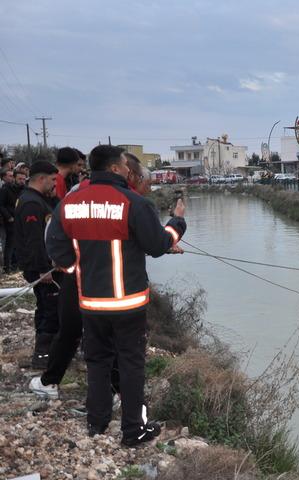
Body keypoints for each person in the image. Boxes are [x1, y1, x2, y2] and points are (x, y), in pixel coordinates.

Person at [46, 145, 187, 447]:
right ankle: (133, 430)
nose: (128, 171)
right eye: (125, 166)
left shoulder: (71, 202)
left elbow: (55, 244)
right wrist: (177, 223)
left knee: (97, 361)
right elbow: (157, 244)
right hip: (129, 303)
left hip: (91, 303)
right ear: (113, 168)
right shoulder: (133, 203)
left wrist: (75, 269)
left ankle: (97, 424)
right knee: (131, 363)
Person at [30, 154, 152, 399]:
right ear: (124, 171)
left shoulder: (82, 192)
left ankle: (66, 386)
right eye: (136, 176)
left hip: (84, 277)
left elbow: (55, 235)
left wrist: (70, 264)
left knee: (81, 334)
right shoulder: (126, 199)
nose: (137, 182)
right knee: (92, 335)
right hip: (99, 282)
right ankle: (109, 392)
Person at [15, 161, 60, 369]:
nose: (54, 184)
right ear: (41, 179)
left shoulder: (37, 200)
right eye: (52, 180)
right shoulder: (32, 203)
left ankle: (47, 351)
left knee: (44, 306)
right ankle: (42, 355)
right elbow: (34, 240)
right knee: (51, 308)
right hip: (41, 268)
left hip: (41, 265)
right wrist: (43, 268)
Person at [0, 168, 26, 272]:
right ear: (14, 178)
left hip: (21, 220)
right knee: (9, 245)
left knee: (20, 243)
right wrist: (9, 217)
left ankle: (18, 265)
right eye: (20, 179)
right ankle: (7, 267)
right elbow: (1, 205)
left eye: (24, 179)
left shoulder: (25, 190)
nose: (22, 181)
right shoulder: (6, 189)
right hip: (10, 220)